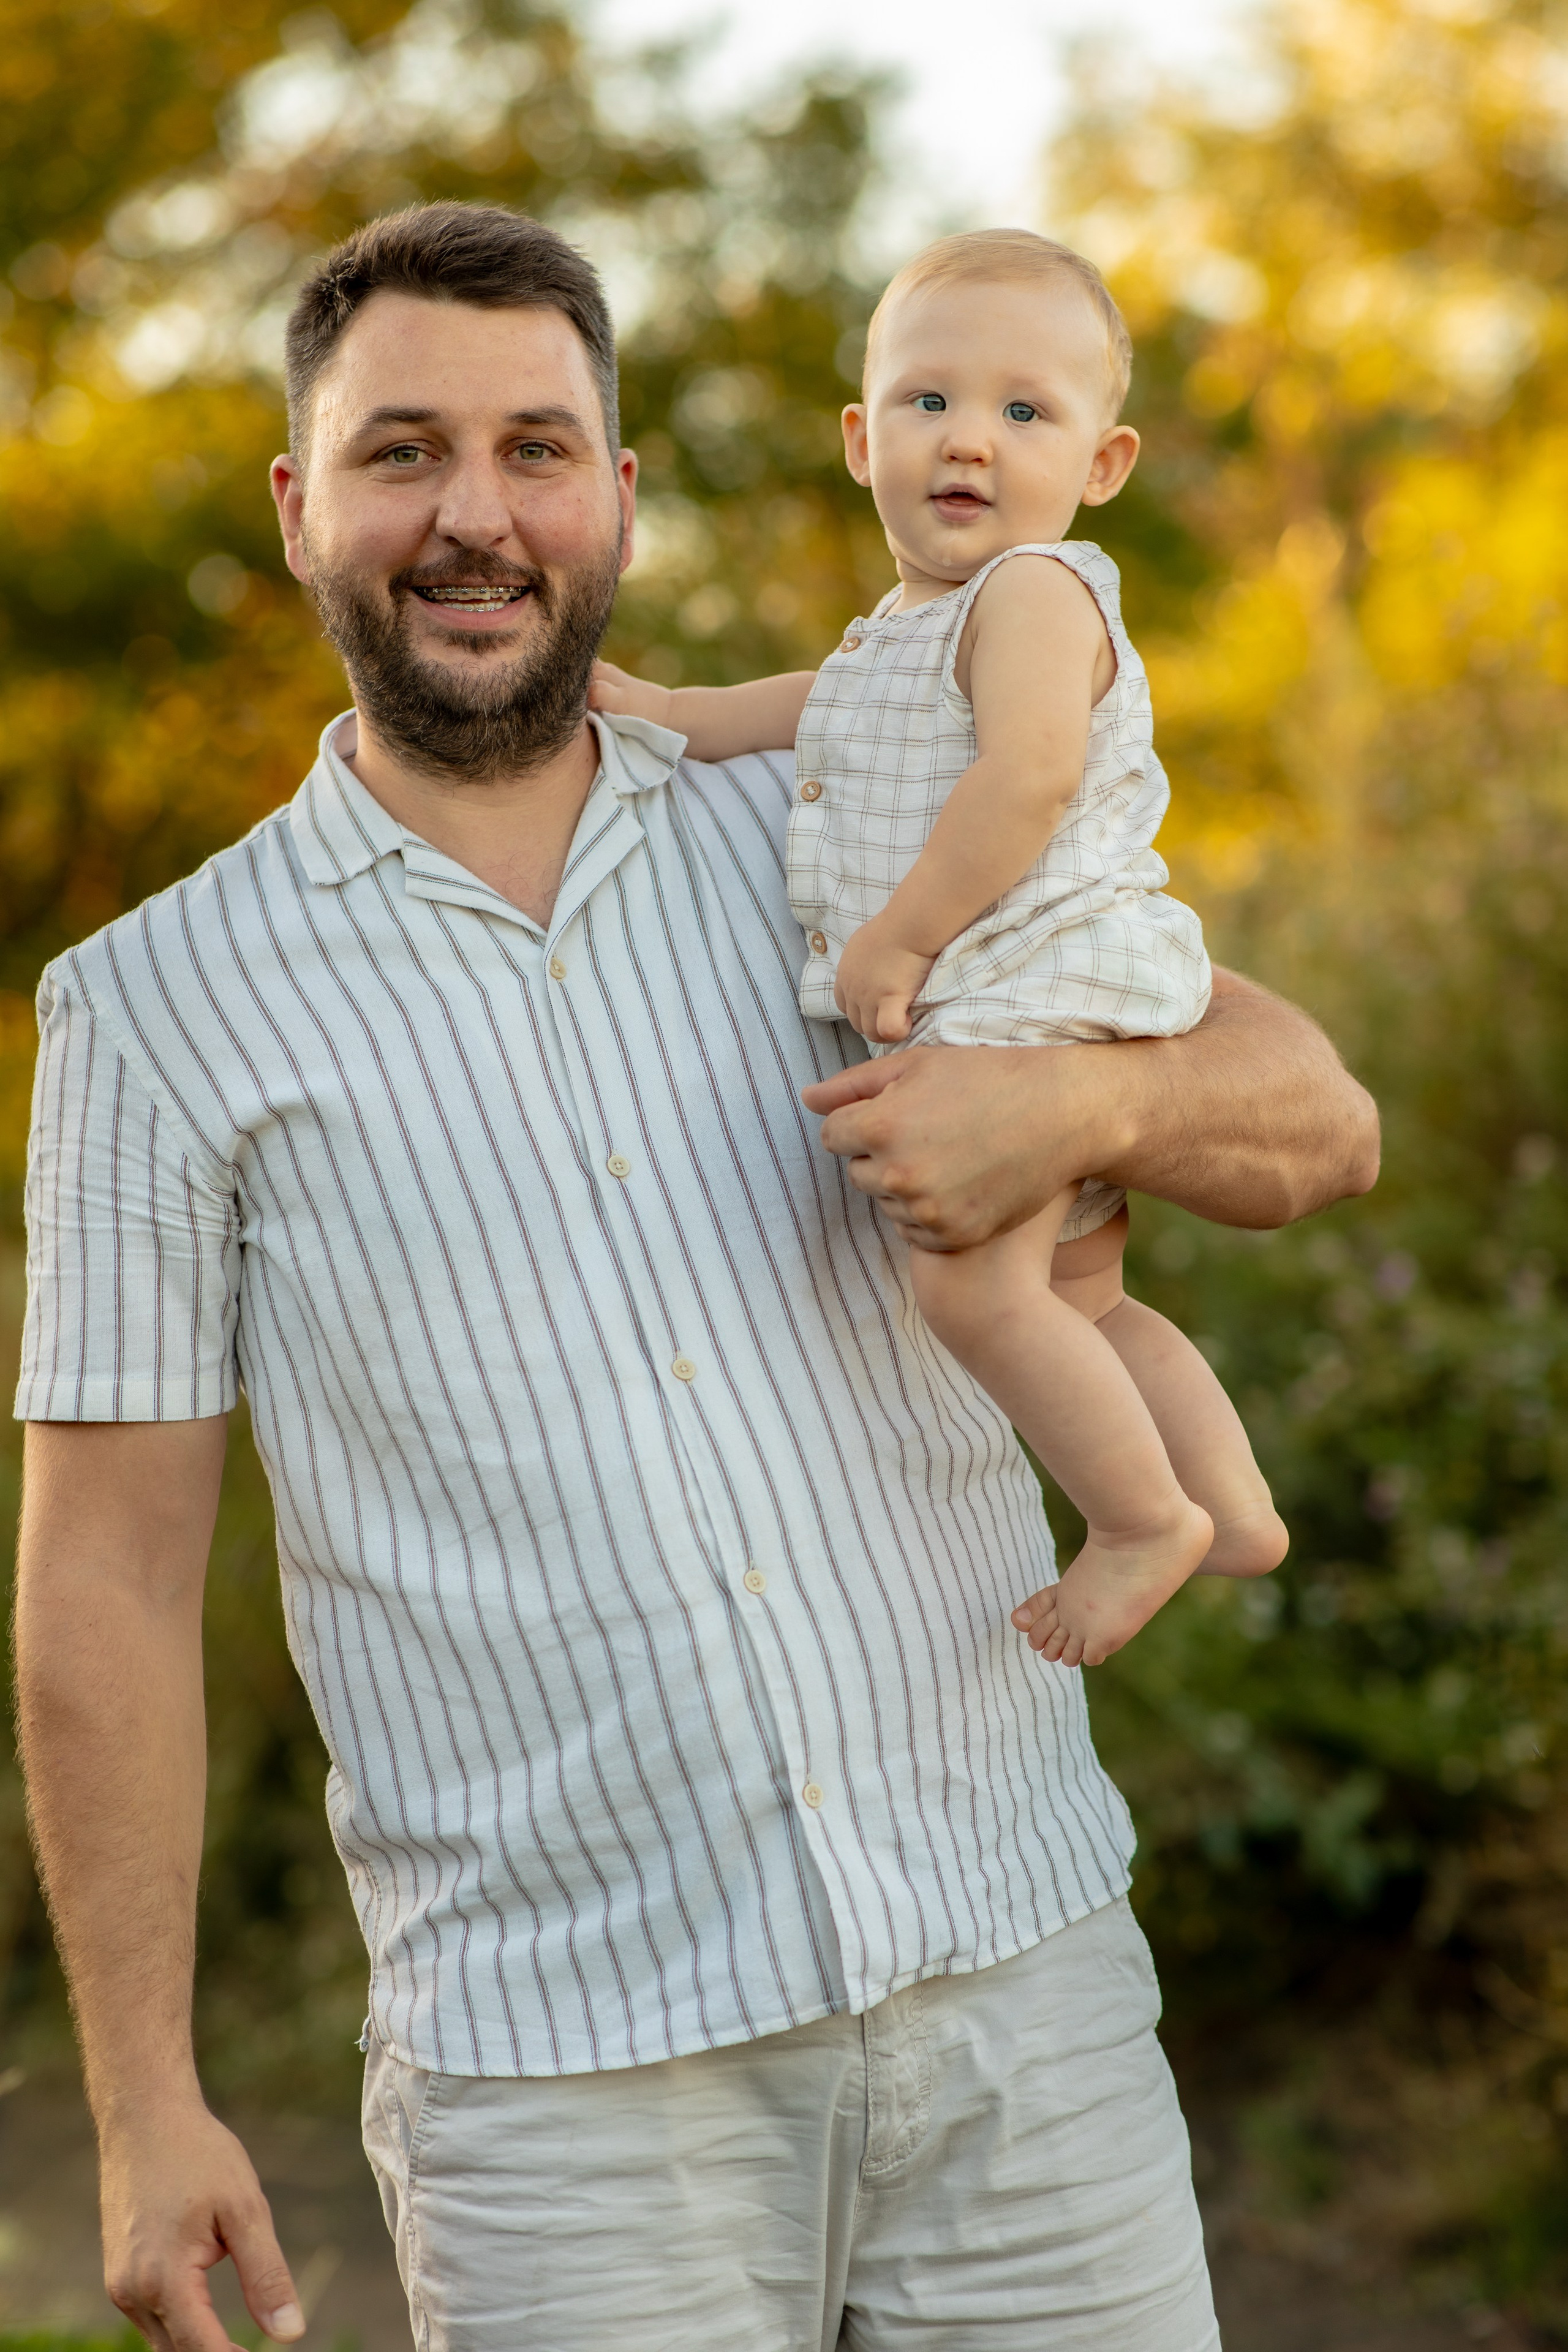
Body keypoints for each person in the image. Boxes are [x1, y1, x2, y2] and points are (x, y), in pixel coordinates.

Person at [14, 200, 1378, 2352]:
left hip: (1021, 2001)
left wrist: (1081, 1115)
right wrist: (142, 2095)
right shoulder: (151, 1010)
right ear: (299, 506)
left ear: (620, 499)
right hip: (567, 2105)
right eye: (401, 453)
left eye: (538, 448)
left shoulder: (836, 823)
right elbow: (103, 1576)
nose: (478, 515)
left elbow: (1315, 1118)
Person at [593, 229, 1287, 1675]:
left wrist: (898, 938)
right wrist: (667, 706)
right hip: (1033, 1008)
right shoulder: (899, 633)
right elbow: (808, 708)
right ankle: (1229, 1505)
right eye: (927, 402)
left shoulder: (1035, 593)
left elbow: (1027, 779)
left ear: (1100, 464)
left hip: (1027, 1001)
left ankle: (1136, 1522)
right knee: (1085, 1301)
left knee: (970, 1294)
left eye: (1024, 413)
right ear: (861, 439)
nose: (967, 438)